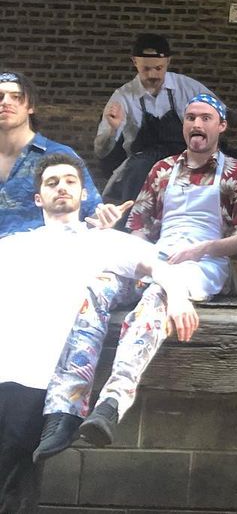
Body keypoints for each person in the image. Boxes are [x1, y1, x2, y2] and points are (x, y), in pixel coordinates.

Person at [33, 94, 237, 457]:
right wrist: (131, 258)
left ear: (221, 126)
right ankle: (65, 407)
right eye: (190, 118)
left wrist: (201, 249)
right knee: (97, 288)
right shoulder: (162, 169)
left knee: (157, 297)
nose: (196, 124)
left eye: (205, 118)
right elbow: (139, 228)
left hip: (205, 263)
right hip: (159, 256)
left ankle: (112, 403)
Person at [0, 153, 199, 511]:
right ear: (38, 198)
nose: (61, 187)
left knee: (14, 484)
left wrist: (180, 300)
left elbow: (161, 268)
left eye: (70, 181)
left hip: (35, 375)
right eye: (52, 183)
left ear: (83, 193)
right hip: (5, 359)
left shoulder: (103, 242)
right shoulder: (13, 245)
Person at [95, 33, 237, 204]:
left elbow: (222, 112)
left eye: (158, 68)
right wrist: (112, 129)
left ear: (168, 62)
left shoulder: (186, 86)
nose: (152, 75)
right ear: (134, 62)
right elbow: (101, 150)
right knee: (131, 185)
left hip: (187, 154)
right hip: (144, 161)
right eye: (146, 69)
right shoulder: (122, 97)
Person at [0, 70, 125, 238]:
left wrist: (105, 218)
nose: (6, 102)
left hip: (40, 249)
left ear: (31, 106)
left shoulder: (60, 155)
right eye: (0, 96)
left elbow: (90, 215)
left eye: (16, 97)